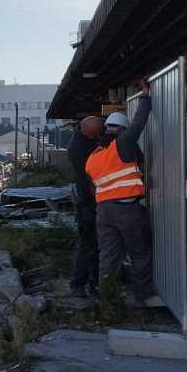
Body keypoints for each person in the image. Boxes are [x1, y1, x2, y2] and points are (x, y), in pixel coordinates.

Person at [85, 79, 164, 308]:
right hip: (127, 210)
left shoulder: (93, 158)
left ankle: (107, 301)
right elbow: (139, 122)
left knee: (108, 257)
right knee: (139, 253)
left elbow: (95, 187)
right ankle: (144, 297)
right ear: (121, 130)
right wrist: (145, 96)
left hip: (103, 212)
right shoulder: (123, 143)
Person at [68, 115, 105, 297]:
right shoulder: (77, 150)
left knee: (95, 245)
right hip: (87, 203)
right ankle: (78, 284)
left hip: (93, 201)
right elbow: (87, 183)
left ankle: (94, 283)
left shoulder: (91, 135)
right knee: (88, 244)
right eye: (93, 136)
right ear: (86, 133)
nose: (96, 138)